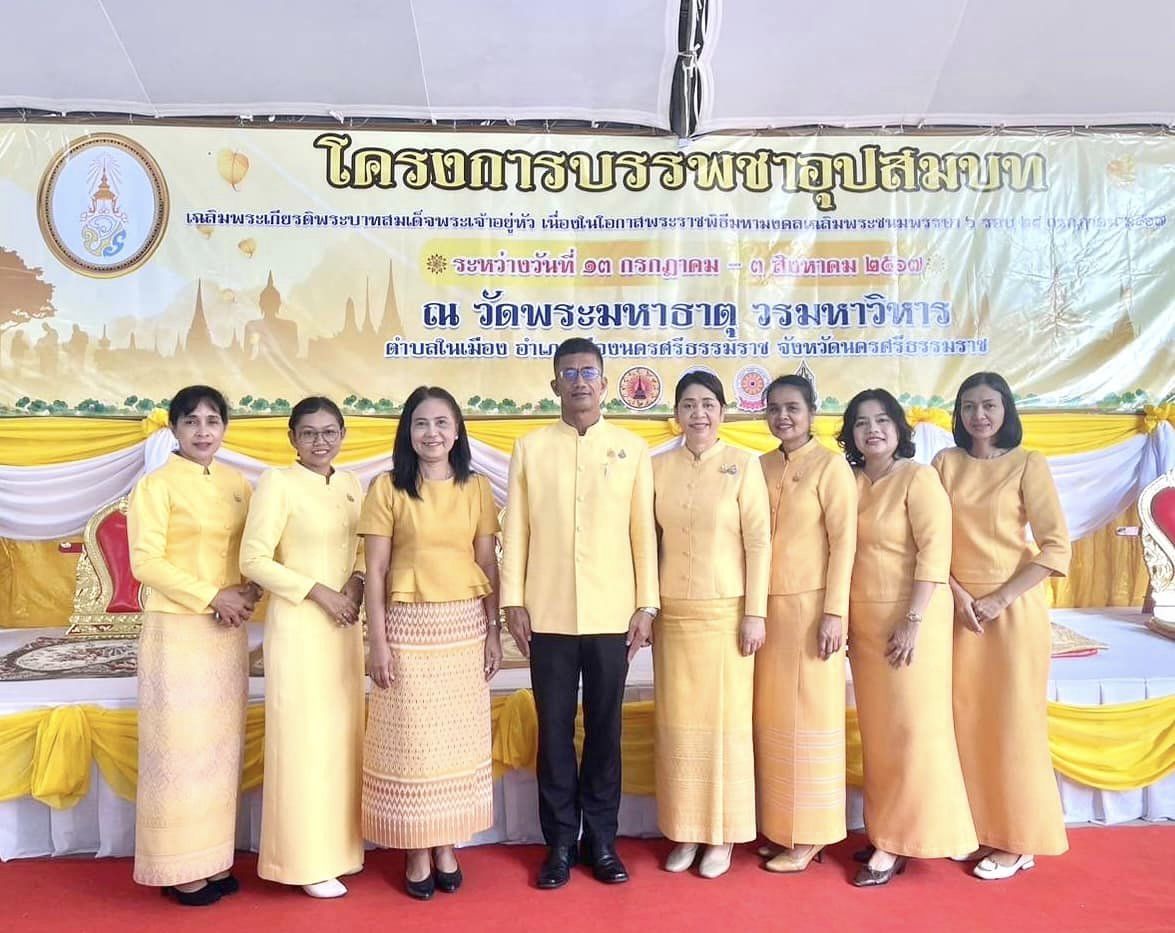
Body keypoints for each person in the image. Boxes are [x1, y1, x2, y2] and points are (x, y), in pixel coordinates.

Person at [501, 337, 659, 890]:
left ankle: (603, 842)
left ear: (605, 381)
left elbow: (644, 533)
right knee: (554, 732)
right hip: (546, 615)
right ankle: (560, 844)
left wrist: (647, 604)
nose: (580, 381)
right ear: (554, 386)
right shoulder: (531, 447)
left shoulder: (632, 448)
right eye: (568, 373)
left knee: (605, 732)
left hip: (614, 615)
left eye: (589, 371)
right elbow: (515, 528)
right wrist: (512, 600)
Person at [358, 386, 503, 900]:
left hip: (463, 628)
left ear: (458, 431)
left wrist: (493, 632)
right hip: (406, 629)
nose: (432, 433)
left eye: (442, 422)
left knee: (453, 742)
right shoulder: (387, 487)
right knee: (413, 744)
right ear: (407, 432)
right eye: (421, 423)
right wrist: (377, 641)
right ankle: (416, 849)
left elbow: (487, 564)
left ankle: (446, 843)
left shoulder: (477, 488)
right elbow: (374, 571)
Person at [933, 372, 1070, 881]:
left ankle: (1019, 841)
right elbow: (928, 539)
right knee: (966, 721)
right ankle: (981, 829)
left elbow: (1056, 547)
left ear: (1006, 410)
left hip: (1012, 612)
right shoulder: (945, 464)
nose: (978, 416)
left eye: (988, 405)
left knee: (1013, 724)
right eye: (968, 406)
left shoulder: (1028, 464)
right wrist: (961, 596)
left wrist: (998, 599)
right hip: (957, 610)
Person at [837, 389, 977, 886]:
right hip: (864, 624)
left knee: (914, 730)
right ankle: (884, 831)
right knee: (880, 734)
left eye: (881, 420)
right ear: (851, 434)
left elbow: (935, 555)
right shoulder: (850, 480)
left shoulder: (919, 479)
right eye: (860, 422)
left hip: (913, 623)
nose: (872, 429)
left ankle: (902, 842)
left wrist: (913, 620)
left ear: (899, 427)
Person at [127, 385, 260, 906]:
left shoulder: (237, 484)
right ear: (174, 430)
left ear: (225, 428)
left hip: (227, 632)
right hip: (177, 630)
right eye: (191, 422)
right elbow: (147, 563)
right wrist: (213, 596)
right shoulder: (155, 487)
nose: (203, 431)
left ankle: (211, 858)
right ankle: (178, 867)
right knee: (179, 748)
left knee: (219, 749)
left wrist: (249, 591)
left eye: (212, 421)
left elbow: (253, 549)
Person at [239, 397, 366, 899]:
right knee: (302, 744)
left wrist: (354, 585)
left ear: (342, 434)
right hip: (299, 627)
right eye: (309, 433)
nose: (320, 441)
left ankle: (339, 852)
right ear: (292, 437)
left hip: (344, 628)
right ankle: (301, 861)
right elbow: (253, 559)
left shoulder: (353, 484)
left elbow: (363, 547)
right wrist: (319, 592)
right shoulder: (277, 483)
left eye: (330, 431)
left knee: (340, 741)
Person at [652, 371, 770, 879]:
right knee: (678, 727)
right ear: (675, 414)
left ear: (723, 411)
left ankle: (721, 835)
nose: (698, 413)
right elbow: (645, 541)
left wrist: (755, 614)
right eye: (688, 405)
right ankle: (685, 831)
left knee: (724, 727)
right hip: (673, 614)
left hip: (727, 614)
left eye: (708, 403)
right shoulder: (655, 467)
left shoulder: (744, 465)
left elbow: (760, 543)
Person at [754, 374, 856, 873]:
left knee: (810, 718)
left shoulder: (830, 468)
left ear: (812, 411)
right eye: (773, 408)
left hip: (812, 611)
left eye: (792, 407)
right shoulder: (760, 466)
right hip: (767, 611)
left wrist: (835, 612)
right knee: (775, 720)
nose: (782, 417)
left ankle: (811, 834)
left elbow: (844, 545)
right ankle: (781, 826)